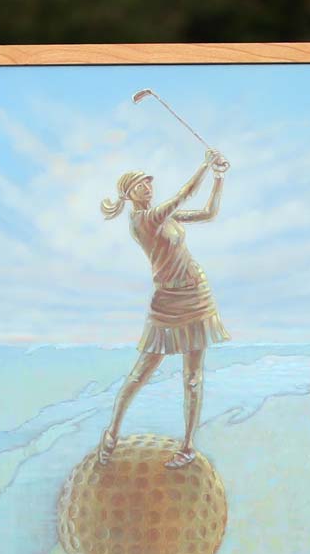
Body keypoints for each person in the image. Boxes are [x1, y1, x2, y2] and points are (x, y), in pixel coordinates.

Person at [96, 149, 232, 469]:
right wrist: (204, 164)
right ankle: (111, 433)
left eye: (148, 183)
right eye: (139, 186)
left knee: (194, 378)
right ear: (129, 195)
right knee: (142, 371)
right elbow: (183, 195)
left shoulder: (163, 216)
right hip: (168, 302)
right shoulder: (143, 219)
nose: (147, 187)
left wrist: (218, 177)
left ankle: (187, 446)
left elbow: (209, 213)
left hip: (197, 296)